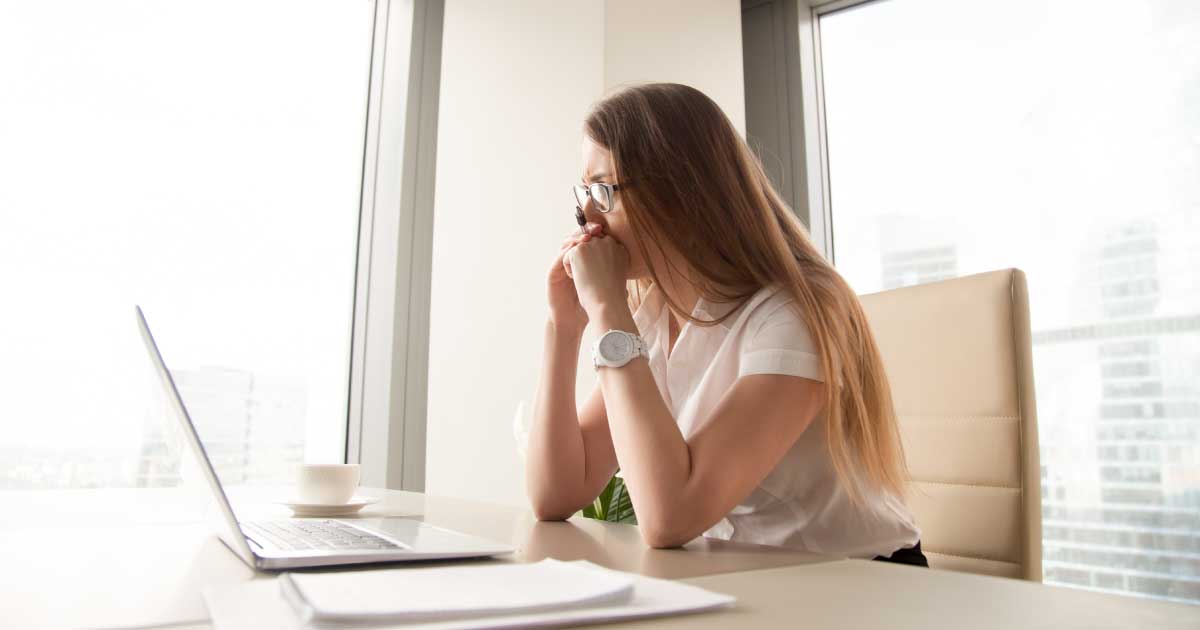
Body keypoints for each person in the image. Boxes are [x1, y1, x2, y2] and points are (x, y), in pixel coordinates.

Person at [525, 83, 926, 566]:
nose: (587, 213)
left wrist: (609, 309)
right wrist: (563, 328)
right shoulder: (654, 314)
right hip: (739, 576)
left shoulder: (794, 313)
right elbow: (557, 493)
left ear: (679, 191)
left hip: (858, 586)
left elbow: (670, 516)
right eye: (585, 191)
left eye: (604, 190)